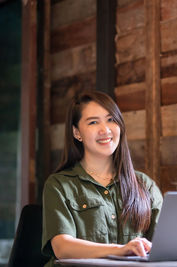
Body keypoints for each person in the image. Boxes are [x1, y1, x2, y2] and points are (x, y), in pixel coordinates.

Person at [41, 91, 163, 267]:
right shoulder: (59, 185)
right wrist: (120, 250)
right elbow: (62, 247)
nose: (105, 130)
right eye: (93, 122)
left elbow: (164, 243)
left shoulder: (145, 185)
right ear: (77, 133)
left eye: (111, 119)